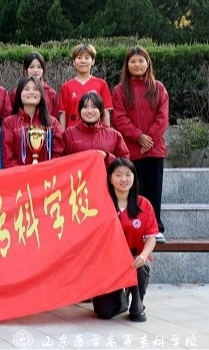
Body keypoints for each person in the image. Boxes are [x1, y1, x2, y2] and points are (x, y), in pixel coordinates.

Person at [112, 46, 169, 243]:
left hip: (154, 150)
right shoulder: (120, 90)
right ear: (127, 65)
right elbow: (119, 118)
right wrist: (138, 136)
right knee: (134, 191)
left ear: (147, 63)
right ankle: (133, 226)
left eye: (141, 61)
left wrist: (149, 139)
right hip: (131, 150)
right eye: (133, 61)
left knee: (154, 190)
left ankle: (155, 228)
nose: (137, 65)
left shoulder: (158, 88)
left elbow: (163, 118)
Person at [92, 158, 157, 323]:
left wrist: (143, 256)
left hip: (135, 259)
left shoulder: (144, 204)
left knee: (140, 266)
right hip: (109, 263)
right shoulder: (101, 204)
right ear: (110, 178)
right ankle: (122, 300)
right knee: (104, 311)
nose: (124, 179)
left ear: (134, 177)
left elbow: (151, 238)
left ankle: (137, 302)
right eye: (118, 175)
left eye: (128, 175)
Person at [2, 77, 64, 167]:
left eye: (35, 89)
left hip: (47, 174)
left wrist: (45, 171)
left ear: (41, 94)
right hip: (19, 174)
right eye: (26, 89)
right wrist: (26, 173)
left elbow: (58, 155)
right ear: (19, 94)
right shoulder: (9, 123)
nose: (31, 92)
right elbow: (8, 158)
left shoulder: (53, 123)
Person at [63, 91, 129, 167]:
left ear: (101, 111)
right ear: (80, 110)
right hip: (79, 174)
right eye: (85, 107)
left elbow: (124, 164)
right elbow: (61, 162)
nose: (89, 111)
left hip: (105, 174)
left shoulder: (114, 135)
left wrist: (107, 157)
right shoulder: (69, 134)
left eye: (94, 107)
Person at [58, 43, 112, 130]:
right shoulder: (66, 87)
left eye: (87, 58)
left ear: (93, 61)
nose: (83, 61)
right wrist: (62, 135)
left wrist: (107, 133)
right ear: (73, 62)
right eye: (79, 58)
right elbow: (63, 114)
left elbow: (106, 111)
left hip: (96, 133)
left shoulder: (101, 84)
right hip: (73, 134)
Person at [10, 52, 57, 117]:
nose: (35, 70)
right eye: (31, 67)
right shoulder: (16, 92)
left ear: (43, 70)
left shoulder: (51, 93)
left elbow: (55, 116)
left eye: (39, 67)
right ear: (25, 69)